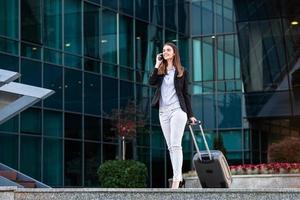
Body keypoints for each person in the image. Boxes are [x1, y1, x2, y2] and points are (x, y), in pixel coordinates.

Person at [149, 42, 197, 189]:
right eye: (163, 50)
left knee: (176, 145)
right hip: (163, 112)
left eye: (168, 50)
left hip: (178, 111)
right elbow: (151, 82)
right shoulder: (161, 71)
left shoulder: (182, 71)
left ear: (174, 53)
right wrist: (157, 65)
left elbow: (185, 94)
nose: (165, 52)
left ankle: (176, 180)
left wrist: (191, 115)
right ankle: (178, 176)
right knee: (170, 147)